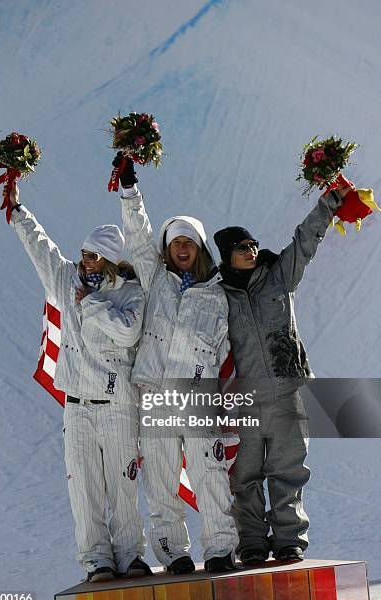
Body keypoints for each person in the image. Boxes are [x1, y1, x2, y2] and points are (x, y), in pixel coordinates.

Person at [5, 183, 151, 582]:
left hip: (119, 404)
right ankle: (96, 559)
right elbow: (42, 248)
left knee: (123, 483)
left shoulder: (130, 292)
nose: (85, 261)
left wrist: (93, 306)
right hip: (77, 405)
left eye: (94, 255)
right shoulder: (66, 279)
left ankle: (130, 555)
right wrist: (18, 211)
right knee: (84, 487)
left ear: (110, 260)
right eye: (85, 253)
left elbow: (128, 333)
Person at [213, 182, 351, 565]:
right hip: (244, 400)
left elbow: (305, 240)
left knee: (289, 471)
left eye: (253, 244)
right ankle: (253, 543)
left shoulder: (278, 278)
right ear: (227, 254)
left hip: (289, 390)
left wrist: (330, 200)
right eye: (243, 247)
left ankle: (290, 540)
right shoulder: (216, 295)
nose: (252, 251)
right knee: (245, 478)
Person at [113, 154, 238, 574]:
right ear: (167, 250)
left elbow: (226, 348)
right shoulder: (156, 280)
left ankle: (221, 548)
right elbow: (137, 235)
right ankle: (174, 552)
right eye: (175, 243)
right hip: (157, 393)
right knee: (161, 480)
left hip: (198, 395)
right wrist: (130, 189)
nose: (182, 249)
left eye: (189, 243)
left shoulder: (219, 293)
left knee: (210, 473)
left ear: (200, 249)